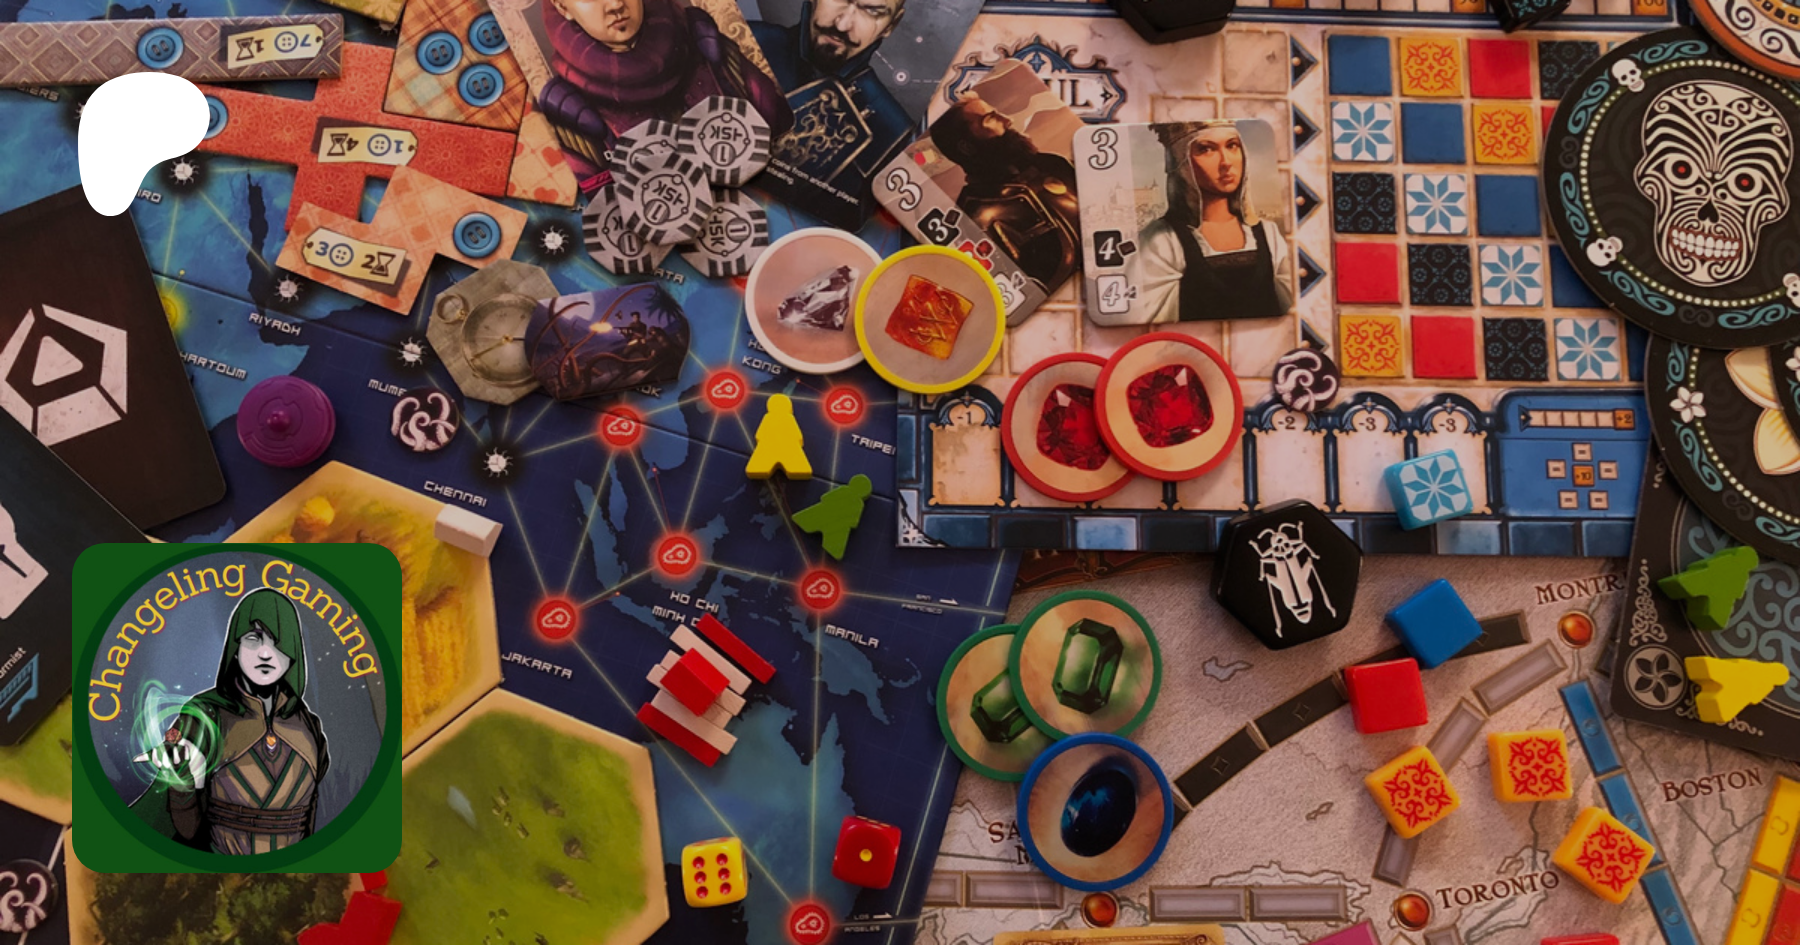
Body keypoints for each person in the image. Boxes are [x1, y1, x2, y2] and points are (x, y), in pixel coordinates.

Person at [135, 589, 328, 855]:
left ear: (292, 650)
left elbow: (313, 818)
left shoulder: (309, 726)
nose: (265, 653)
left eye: (277, 641)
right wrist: (183, 779)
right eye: (253, 639)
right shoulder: (205, 716)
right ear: (235, 649)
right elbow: (187, 830)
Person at [536, 0, 792, 191]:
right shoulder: (569, 113)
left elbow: (784, 132)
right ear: (562, 6)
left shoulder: (705, 43)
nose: (615, 5)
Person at [750, 0, 912, 227]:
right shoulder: (745, 40)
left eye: (872, 11)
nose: (842, 24)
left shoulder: (893, 132)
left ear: (890, 25)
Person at [1138, 123, 1294, 323]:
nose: (1226, 162)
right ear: (1181, 163)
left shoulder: (1268, 233)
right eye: (1206, 149)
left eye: (1232, 146)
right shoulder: (1160, 241)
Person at [928, 94, 1081, 295]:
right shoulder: (975, 221)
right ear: (966, 147)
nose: (1008, 120)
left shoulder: (1052, 163)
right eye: (990, 119)